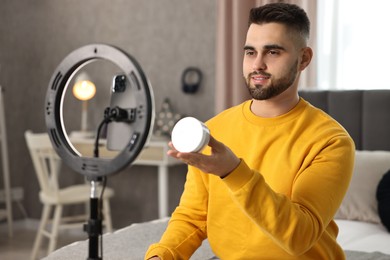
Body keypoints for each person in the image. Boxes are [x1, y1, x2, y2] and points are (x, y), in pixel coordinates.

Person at [145, 3, 355, 259]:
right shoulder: (215, 129)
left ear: (304, 59)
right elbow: (193, 217)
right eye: (250, 52)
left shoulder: (331, 141)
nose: (257, 64)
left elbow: (300, 235)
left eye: (273, 52)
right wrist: (162, 255)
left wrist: (233, 172)